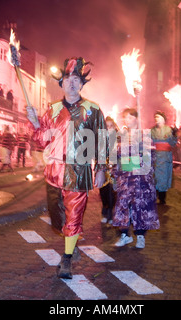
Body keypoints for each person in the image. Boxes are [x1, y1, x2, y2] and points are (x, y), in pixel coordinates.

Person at [26, 57, 107, 279]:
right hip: (54, 173)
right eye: (67, 79)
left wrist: (101, 168)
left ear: (82, 84)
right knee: (57, 219)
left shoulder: (93, 110)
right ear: (61, 83)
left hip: (79, 174)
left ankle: (67, 258)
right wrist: (34, 123)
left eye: (76, 79)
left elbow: (101, 140)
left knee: (74, 218)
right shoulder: (52, 109)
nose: (72, 83)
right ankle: (71, 241)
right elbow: (42, 139)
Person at [112, 108, 159, 249]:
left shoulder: (144, 136)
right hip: (125, 178)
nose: (128, 120)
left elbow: (151, 156)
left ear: (137, 119)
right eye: (125, 118)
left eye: (131, 117)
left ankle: (140, 235)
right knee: (123, 206)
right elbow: (116, 157)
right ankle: (125, 235)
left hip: (141, 177)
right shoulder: (120, 136)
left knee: (141, 205)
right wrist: (115, 174)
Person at [151, 111, 177, 204]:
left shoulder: (168, 130)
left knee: (163, 177)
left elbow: (173, 143)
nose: (156, 119)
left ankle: (162, 198)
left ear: (163, 119)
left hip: (165, 157)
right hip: (155, 157)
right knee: (154, 177)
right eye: (155, 117)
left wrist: (174, 135)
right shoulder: (152, 130)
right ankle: (155, 195)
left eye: (158, 117)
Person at [99, 116, 118, 224]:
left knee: (112, 192)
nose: (109, 128)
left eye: (111, 126)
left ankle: (110, 212)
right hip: (102, 169)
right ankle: (105, 208)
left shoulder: (118, 138)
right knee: (103, 191)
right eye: (107, 126)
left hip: (113, 169)